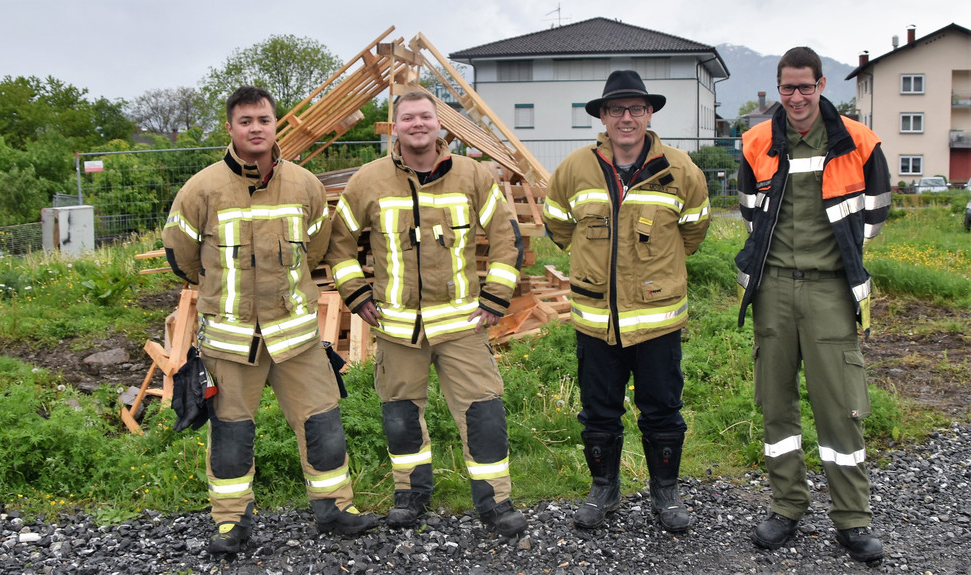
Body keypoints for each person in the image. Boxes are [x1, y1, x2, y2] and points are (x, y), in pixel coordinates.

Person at [163, 86, 377, 555]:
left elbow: (316, 249)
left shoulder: (305, 185)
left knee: (322, 424)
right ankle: (231, 523)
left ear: (275, 124)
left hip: (296, 337)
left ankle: (335, 509)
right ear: (230, 127)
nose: (255, 129)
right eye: (246, 121)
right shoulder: (201, 189)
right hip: (230, 340)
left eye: (263, 119)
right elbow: (182, 257)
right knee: (231, 433)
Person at [324, 91, 528, 538]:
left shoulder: (472, 174)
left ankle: (496, 501)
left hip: (462, 327)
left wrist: (495, 297)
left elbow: (505, 236)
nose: (417, 124)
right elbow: (339, 245)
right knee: (400, 418)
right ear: (394, 127)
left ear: (439, 125)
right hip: (397, 329)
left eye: (425, 117)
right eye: (408, 118)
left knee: (483, 413)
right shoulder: (368, 180)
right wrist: (356, 294)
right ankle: (410, 496)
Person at [735, 47, 890, 564]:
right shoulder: (756, 142)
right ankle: (786, 507)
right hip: (774, 290)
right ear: (778, 88)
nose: (797, 97)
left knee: (840, 407)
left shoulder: (859, 141)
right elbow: (750, 213)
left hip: (829, 290)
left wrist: (838, 257)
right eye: (788, 87)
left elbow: (875, 214)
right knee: (776, 405)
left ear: (821, 85)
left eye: (806, 86)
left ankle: (852, 518)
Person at [544, 70, 710, 532]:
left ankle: (666, 493)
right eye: (616, 109)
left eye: (636, 108)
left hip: (658, 320)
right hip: (596, 319)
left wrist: (659, 268)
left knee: (663, 409)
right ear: (603, 116)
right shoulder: (574, 169)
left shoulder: (680, 169)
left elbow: (694, 229)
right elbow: (558, 224)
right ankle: (604, 489)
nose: (626, 118)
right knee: (599, 411)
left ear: (649, 113)